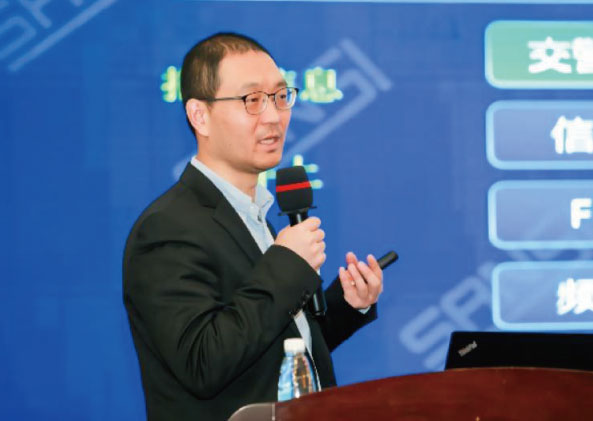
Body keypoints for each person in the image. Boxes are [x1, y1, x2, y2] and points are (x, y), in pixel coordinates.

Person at [123, 32, 384, 421]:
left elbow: (273, 351)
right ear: (200, 115)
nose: (274, 116)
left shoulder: (254, 216)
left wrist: (348, 306)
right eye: (252, 100)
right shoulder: (167, 229)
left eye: (280, 96)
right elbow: (204, 362)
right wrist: (288, 266)